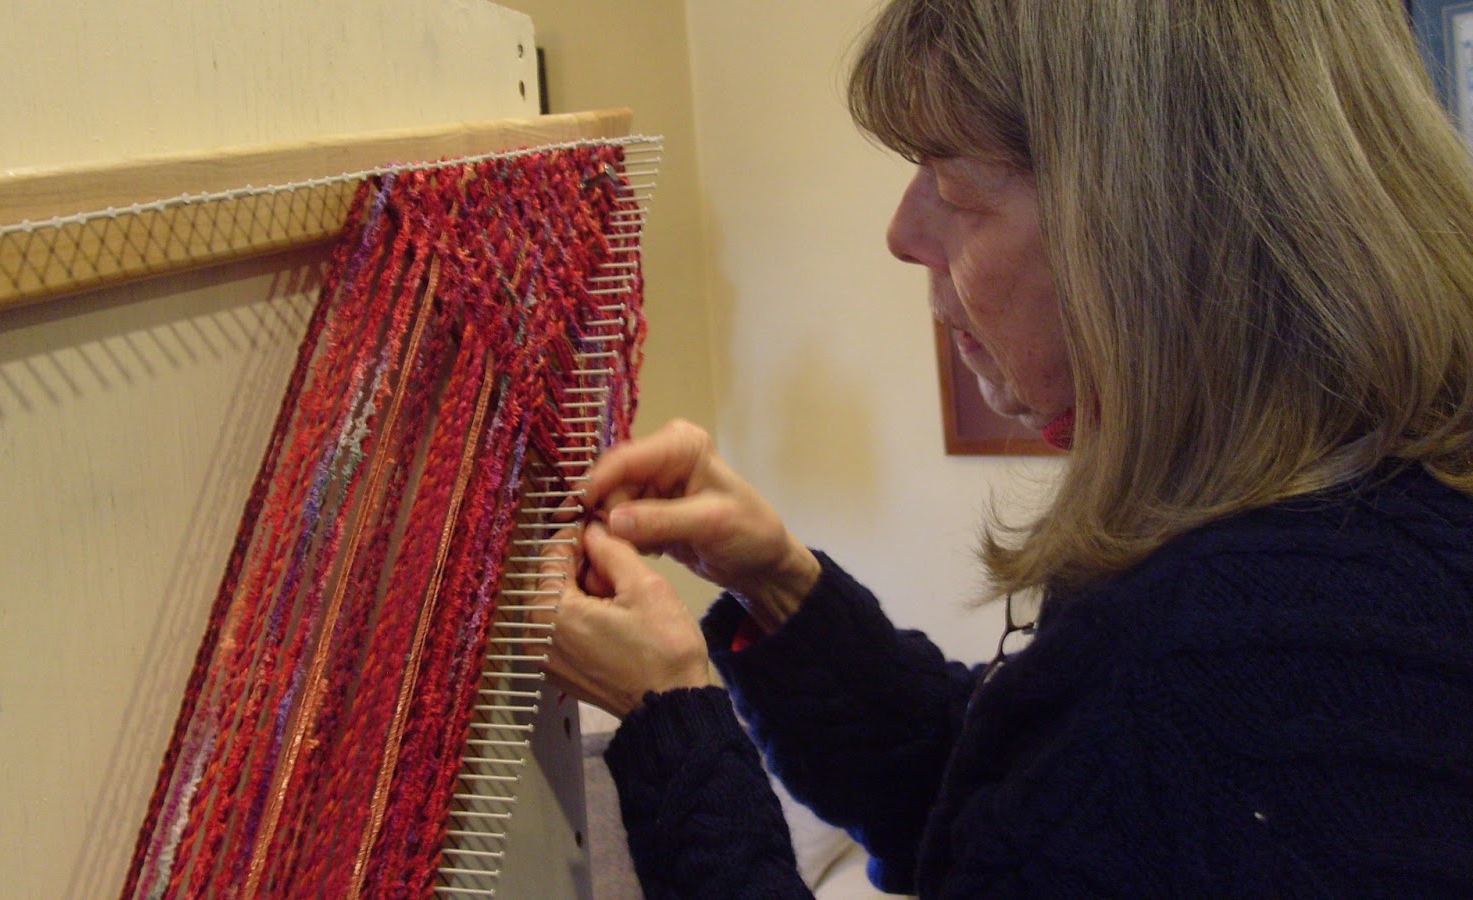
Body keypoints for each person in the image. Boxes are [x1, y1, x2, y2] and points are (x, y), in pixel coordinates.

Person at [541, 0, 1473, 895]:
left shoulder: (1235, 657)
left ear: (1138, 235)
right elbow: (1035, 811)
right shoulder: (1361, 538)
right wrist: (784, 591)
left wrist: (669, 721)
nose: (904, 234)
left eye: (953, 189)